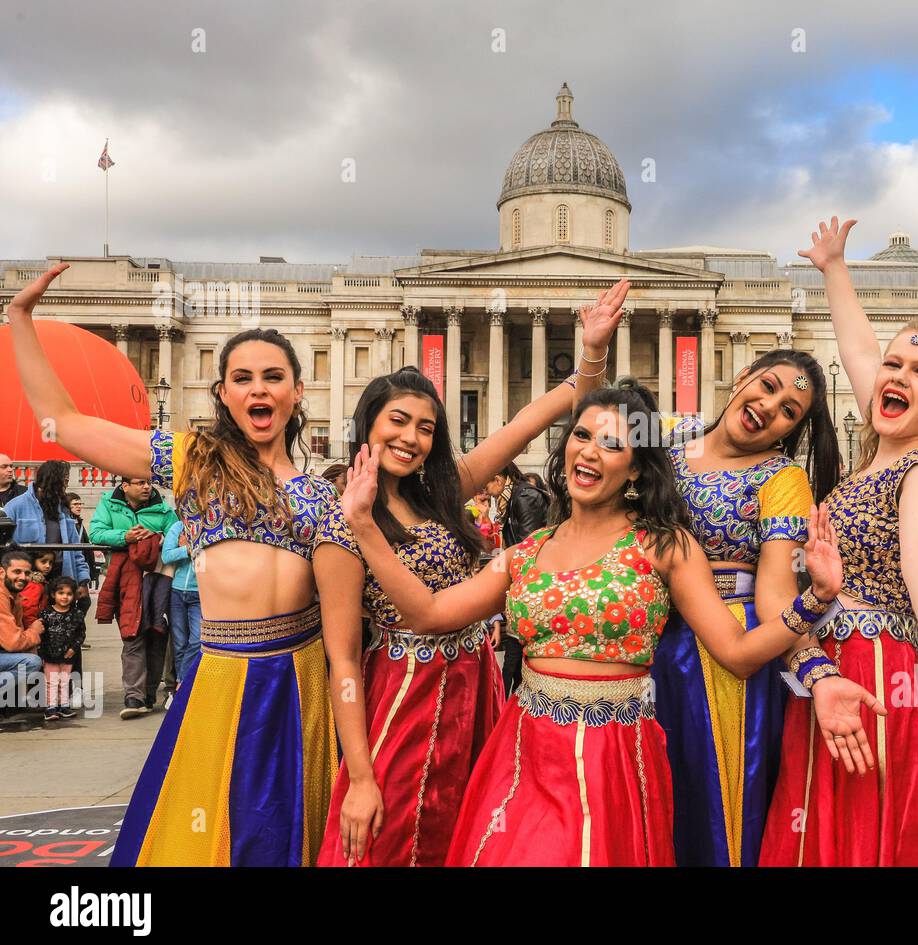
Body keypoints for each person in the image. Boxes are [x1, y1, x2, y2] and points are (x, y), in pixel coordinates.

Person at [339, 380, 866, 866]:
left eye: (612, 445)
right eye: (581, 436)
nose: (589, 451)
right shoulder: (527, 551)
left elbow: (738, 654)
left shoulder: (664, 545)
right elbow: (427, 613)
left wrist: (816, 599)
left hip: (614, 758)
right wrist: (363, 525)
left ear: (636, 469)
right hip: (522, 752)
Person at [8, 262, 340, 866]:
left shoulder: (324, 493)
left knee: (291, 827)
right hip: (221, 670)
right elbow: (70, 426)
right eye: (242, 378)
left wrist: (577, 378)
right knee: (205, 824)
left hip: (301, 677)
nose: (258, 389)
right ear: (223, 394)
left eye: (273, 377)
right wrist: (20, 320)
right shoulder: (193, 461)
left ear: (297, 393)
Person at [315, 279, 620, 868]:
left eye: (425, 428)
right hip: (399, 694)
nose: (410, 438)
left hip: (474, 686)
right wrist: (358, 775)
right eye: (397, 422)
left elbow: (535, 418)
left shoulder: (446, 490)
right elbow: (344, 659)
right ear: (368, 425)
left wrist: (593, 352)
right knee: (391, 834)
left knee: (473, 834)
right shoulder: (343, 519)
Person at [760, 218, 918, 868]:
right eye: (894, 364)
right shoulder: (885, 444)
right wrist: (834, 267)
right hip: (824, 661)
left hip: (876, 667)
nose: (897, 374)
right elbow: (860, 348)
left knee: (867, 830)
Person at [656, 348, 862, 868]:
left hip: (725, 663)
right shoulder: (665, 448)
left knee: (715, 811)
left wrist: (816, 673)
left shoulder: (782, 478)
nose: (771, 406)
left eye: (790, 410)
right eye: (768, 387)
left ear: (789, 430)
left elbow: (774, 593)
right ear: (743, 376)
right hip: (646, 646)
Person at [89, 476, 179, 717]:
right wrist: (125, 537)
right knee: (132, 635)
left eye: (148, 483)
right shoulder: (109, 504)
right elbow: (96, 533)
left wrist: (157, 539)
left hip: (158, 579)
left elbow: (177, 534)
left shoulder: (164, 509)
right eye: (140, 483)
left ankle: (149, 695)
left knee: (156, 634)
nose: (147, 487)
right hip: (125, 582)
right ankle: (134, 697)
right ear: (125, 486)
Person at [487, 461, 552, 697]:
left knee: (515, 659)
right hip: (519, 586)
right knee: (513, 659)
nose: (484, 491)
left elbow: (528, 548)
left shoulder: (524, 496)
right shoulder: (510, 498)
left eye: (486, 483)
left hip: (530, 589)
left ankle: (507, 707)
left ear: (498, 478)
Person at [4, 461, 91, 606]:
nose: (66, 486)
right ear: (53, 481)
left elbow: (76, 549)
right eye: (65, 481)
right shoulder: (15, 506)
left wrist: (83, 581)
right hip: (26, 585)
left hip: (61, 581)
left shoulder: (63, 509)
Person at [161, 519, 201, 686]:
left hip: (200, 593)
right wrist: (187, 549)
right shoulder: (178, 527)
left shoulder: (212, 525)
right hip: (177, 592)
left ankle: (182, 681)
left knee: (198, 639)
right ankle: (183, 685)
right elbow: (166, 555)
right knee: (179, 643)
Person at [1, 551, 44, 706]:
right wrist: (34, 631)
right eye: (17, 572)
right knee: (31, 662)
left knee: (30, 660)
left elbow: (16, 634)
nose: (23, 577)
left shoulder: (13, 594)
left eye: (27, 573)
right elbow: (12, 643)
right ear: (2, 572)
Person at [38, 576, 84, 720]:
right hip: (50, 655)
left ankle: (63, 706)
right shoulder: (46, 613)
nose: (65, 597)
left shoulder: (77, 614)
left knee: (64, 680)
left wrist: (74, 648)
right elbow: (41, 634)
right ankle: (51, 708)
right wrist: (41, 653)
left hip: (68, 655)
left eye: (69, 594)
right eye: (61, 593)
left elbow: (81, 634)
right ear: (53, 594)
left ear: (74, 596)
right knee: (51, 681)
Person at [17, 550, 55, 627]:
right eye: (43, 562)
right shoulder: (35, 584)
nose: (48, 566)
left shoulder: (42, 582)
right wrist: (33, 629)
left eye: (50, 563)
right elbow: (28, 609)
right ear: (33, 561)